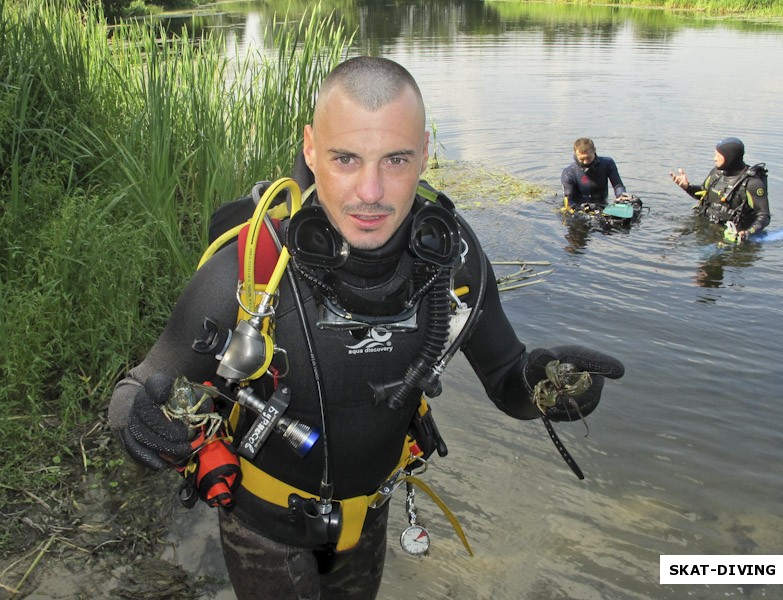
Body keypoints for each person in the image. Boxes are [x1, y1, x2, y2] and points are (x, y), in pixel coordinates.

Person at [109, 56, 624, 600]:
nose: (371, 191)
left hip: (370, 520)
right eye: (346, 158)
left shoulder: (455, 260)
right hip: (261, 527)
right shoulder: (253, 267)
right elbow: (141, 385)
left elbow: (507, 381)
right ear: (311, 149)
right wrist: (135, 418)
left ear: (426, 151)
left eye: (397, 159)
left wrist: (550, 385)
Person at [670, 136, 770, 242]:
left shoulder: (752, 183)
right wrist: (687, 187)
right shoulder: (716, 174)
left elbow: (764, 215)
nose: (714, 158)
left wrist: (747, 233)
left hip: (732, 236)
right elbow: (703, 194)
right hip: (707, 227)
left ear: (730, 157)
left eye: (718, 155)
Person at [561, 137, 628, 209]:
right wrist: (580, 209)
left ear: (594, 151)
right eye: (582, 159)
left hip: (602, 204)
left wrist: (621, 197)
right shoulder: (569, 172)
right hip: (579, 208)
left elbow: (618, 186)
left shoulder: (607, 163)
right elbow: (568, 199)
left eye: (589, 158)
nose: (586, 162)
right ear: (576, 155)